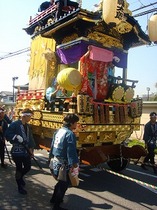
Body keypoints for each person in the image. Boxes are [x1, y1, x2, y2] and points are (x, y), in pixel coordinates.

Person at [49, 113, 79, 210]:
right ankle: (56, 205)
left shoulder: (59, 131)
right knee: (64, 184)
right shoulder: (69, 134)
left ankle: (53, 199)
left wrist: (50, 158)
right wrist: (73, 163)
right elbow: (71, 150)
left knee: (60, 181)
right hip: (63, 163)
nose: (76, 125)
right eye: (76, 123)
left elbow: (52, 145)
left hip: (56, 160)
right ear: (72, 123)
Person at [5, 108, 36, 195]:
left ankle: (20, 177)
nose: (30, 118)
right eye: (30, 116)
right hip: (17, 151)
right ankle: (20, 186)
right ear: (25, 116)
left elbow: (30, 138)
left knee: (28, 167)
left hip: (26, 151)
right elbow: (7, 134)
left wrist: (31, 150)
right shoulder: (15, 124)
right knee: (19, 168)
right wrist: (15, 136)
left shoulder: (28, 126)